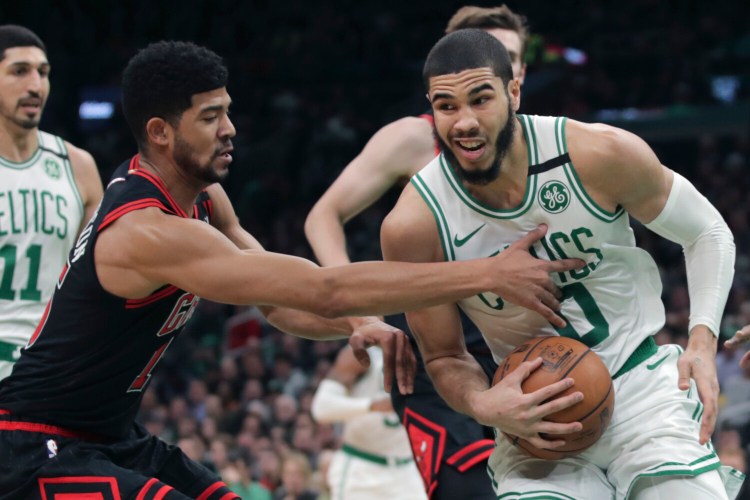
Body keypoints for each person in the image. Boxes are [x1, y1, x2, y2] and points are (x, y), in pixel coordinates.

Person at [0, 40, 583, 499]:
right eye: (210, 117)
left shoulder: (202, 198)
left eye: (228, 111)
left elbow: (278, 302)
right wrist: (484, 273)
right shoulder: (147, 232)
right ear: (160, 131)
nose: (230, 129)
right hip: (33, 446)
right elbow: (322, 287)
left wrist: (358, 325)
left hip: (109, 437)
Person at [380, 29, 744, 499]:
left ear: (514, 92)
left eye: (480, 99)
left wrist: (701, 340)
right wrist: (483, 403)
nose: (463, 121)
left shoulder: (596, 153)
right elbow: (445, 355)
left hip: (640, 391)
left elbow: (707, 231)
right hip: (533, 422)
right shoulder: (415, 224)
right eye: (446, 106)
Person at [304, 6, 529, 497]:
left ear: (518, 77)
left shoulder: (544, 144)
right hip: (432, 352)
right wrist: (359, 311)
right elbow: (323, 216)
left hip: (520, 348)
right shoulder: (413, 137)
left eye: (509, 59)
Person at [0, 24, 102, 380]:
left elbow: (98, 278)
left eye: (43, 73)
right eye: (19, 71)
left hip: (53, 369)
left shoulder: (78, 167)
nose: (35, 85)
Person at [311, 345, 427, 499]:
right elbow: (321, 407)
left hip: (407, 469)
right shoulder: (360, 353)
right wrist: (372, 406)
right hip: (361, 468)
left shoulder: (420, 349)